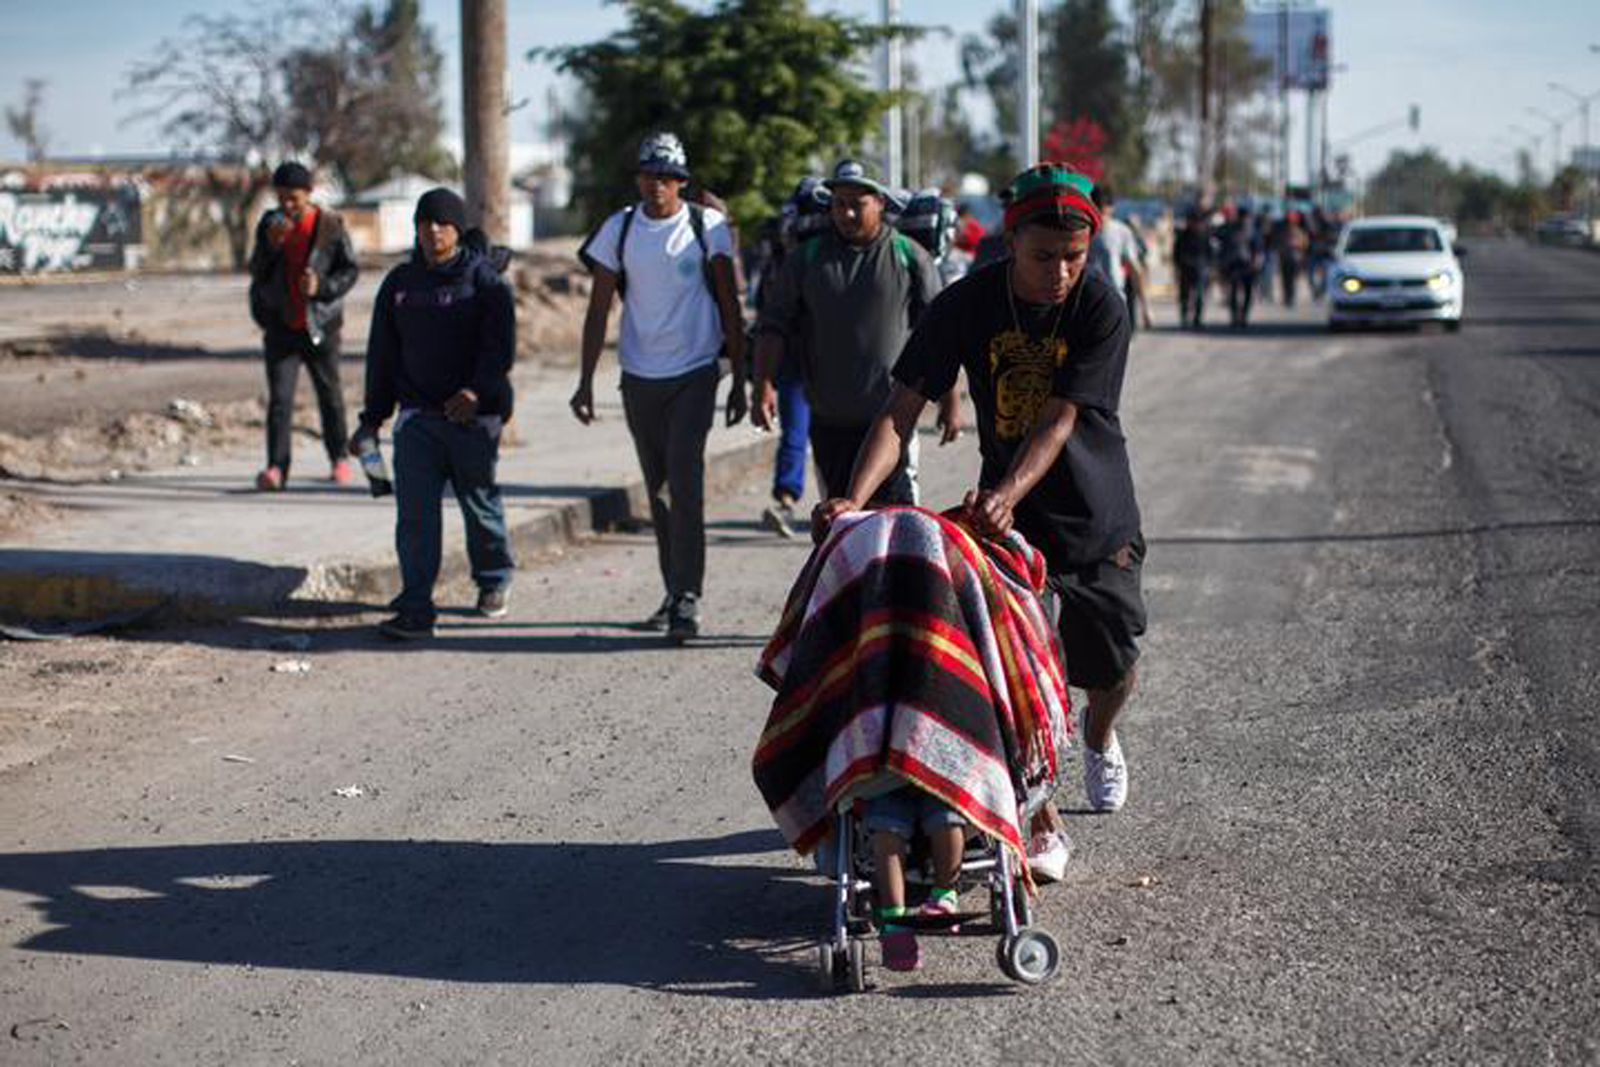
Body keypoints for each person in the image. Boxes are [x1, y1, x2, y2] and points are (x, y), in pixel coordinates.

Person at [813, 163, 1147, 848]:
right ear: (1010, 239)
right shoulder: (965, 305)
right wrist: (855, 494)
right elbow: (900, 408)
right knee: (1021, 660)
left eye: (1073, 257)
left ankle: (1099, 732)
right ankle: (1039, 814)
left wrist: (1003, 493)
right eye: (1044, 256)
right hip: (1008, 522)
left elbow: (1059, 420)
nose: (1059, 272)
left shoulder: (1100, 307)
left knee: (1112, 666)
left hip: (1094, 510)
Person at [572, 132, 748, 643]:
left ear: (682, 183)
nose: (658, 185)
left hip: (694, 373)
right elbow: (598, 308)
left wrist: (738, 378)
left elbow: (728, 303)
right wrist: (585, 380)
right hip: (639, 377)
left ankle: (688, 595)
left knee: (685, 483)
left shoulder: (705, 225)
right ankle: (674, 590)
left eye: (669, 177)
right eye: (650, 175)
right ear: (639, 179)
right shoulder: (619, 228)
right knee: (659, 490)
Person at [352, 188, 517, 640]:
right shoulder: (401, 283)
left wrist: (476, 393)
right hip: (419, 419)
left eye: (442, 223)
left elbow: (500, 350)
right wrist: (372, 417)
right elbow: (382, 355)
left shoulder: (484, 281)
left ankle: (493, 580)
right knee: (416, 517)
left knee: (479, 504)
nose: (432, 231)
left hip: (473, 419)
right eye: (425, 223)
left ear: (458, 229)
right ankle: (416, 606)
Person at [751, 159, 956, 506]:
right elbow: (773, 327)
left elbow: (940, 335)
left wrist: (949, 402)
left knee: (897, 527)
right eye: (838, 204)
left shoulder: (908, 255)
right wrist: (763, 386)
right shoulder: (807, 258)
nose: (846, 214)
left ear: (881, 203)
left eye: (857, 204)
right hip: (828, 420)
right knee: (841, 525)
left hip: (892, 422)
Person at [247, 161, 359, 491]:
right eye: (281, 198)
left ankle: (339, 458)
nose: (287, 205)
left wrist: (322, 287)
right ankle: (276, 469)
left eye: (293, 198)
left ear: (309, 194)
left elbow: (350, 270)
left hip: (321, 327)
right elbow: (256, 270)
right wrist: (271, 246)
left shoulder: (330, 224)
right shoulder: (270, 224)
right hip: (281, 327)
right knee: (280, 401)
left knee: (330, 397)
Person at [864, 786, 967, 972]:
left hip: (942, 778)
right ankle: (895, 921)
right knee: (887, 829)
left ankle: (944, 896)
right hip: (886, 780)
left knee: (947, 817)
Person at [1088, 184, 1145, 333]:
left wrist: (1145, 308)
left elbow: (1135, 270)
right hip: (1087, 304)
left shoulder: (1122, 232)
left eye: (1104, 210)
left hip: (1114, 303)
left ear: (1111, 208)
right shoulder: (1083, 232)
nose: (1101, 215)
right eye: (1097, 209)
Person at [1219, 205, 1263, 329]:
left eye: (1247, 217)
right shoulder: (1230, 229)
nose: (1245, 219)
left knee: (1248, 292)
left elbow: (1259, 248)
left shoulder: (1253, 231)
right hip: (1233, 264)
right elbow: (1223, 245)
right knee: (1233, 291)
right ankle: (1234, 316)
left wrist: (1257, 261)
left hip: (1248, 265)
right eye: (1243, 217)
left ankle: (1243, 315)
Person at [1173, 209, 1213, 330]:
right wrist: (1177, 268)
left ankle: (1197, 319)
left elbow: (1210, 253)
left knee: (1200, 297)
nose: (1195, 224)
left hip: (1200, 270)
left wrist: (1210, 268)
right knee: (1184, 296)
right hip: (1185, 269)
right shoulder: (1183, 236)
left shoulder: (1205, 235)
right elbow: (1176, 254)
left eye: (1198, 222)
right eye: (1193, 221)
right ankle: (1184, 318)